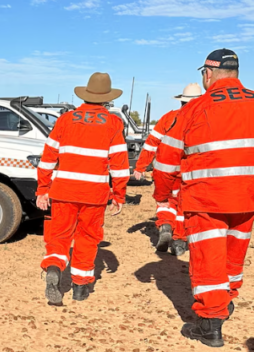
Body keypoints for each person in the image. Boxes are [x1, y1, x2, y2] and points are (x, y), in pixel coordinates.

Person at [153, 49, 254, 348]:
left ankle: (210, 324)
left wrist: (162, 197)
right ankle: (228, 301)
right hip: (247, 198)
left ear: (207, 74)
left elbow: (165, 162)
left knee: (209, 260)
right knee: (234, 257)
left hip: (207, 200)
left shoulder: (195, 108)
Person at [36, 72, 130, 304]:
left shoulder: (65, 120)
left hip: (63, 191)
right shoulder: (113, 123)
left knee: (58, 236)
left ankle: (54, 268)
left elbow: (47, 158)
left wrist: (42, 190)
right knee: (88, 238)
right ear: (107, 99)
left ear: (86, 95)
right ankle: (80, 286)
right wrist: (118, 195)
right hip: (95, 194)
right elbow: (119, 165)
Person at [134, 83, 202, 256]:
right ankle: (179, 241)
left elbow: (151, 143)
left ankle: (165, 224)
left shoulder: (169, 118)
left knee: (164, 201)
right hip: (189, 172)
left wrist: (141, 166)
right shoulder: (203, 119)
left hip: (163, 170)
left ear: (182, 101)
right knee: (183, 205)